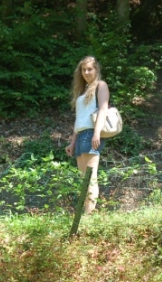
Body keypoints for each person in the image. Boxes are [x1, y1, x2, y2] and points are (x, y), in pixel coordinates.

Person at [65, 56, 109, 214]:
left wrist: (96, 133)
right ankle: (85, 212)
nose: (86, 72)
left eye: (90, 69)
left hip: (91, 133)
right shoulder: (82, 91)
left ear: (96, 69)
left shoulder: (100, 85)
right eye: (84, 69)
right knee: (83, 178)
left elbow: (103, 109)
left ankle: (88, 215)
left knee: (90, 177)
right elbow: (79, 119)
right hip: (81, 135)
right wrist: (72, 142)